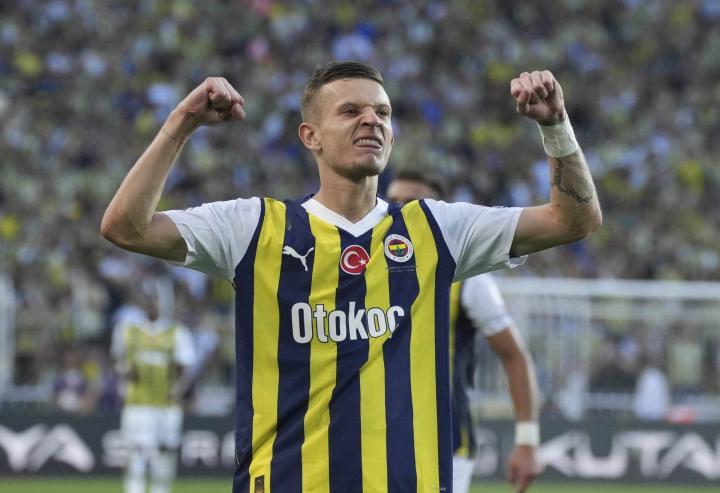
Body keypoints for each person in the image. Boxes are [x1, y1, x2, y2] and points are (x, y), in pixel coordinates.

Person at [101, 61, 601, 492]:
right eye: (350, 111)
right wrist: (182, 123)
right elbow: (125, 227)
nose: (371, 120)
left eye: (382, 112)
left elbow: (573, 220)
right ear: (310, 136)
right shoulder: (253, 227)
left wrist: (555, 125)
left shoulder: (436, 229)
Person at [387, 171, 542, 493]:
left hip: (444, 444)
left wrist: (527, 440)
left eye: (412, 203)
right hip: (376, 441)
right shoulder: (365, 273)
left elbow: (514, 356)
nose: (400, 210)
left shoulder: (468, 280)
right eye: (393, 202)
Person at [111, 281, 196, 493]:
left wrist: (178, 390)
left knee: (166, 450)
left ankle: (161, 489)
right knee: (135, 449)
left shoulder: (177, 332)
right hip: (137, 401)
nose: (150, 304)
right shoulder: (127, 330)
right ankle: (134, 489)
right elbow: (117, 360)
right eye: (147, 299)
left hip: (167, 402)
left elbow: (186, 366)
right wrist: (124, 371)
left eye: (154, 299)